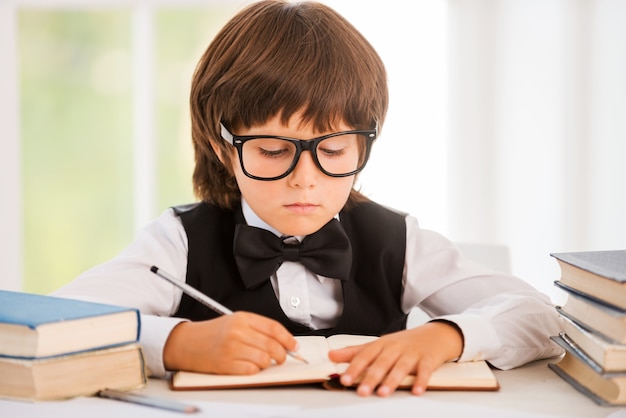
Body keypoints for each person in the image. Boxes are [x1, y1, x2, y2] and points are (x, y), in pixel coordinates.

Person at [53, 0, 563, 397]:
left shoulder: (397, 239)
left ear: (364, 141)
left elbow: (540, 315)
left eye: (334, 149)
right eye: (273, 150)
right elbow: (51, 322)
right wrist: (174, 342)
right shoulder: (178, 242)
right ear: (220, 144)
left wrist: (447, 335)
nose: (305, 179)